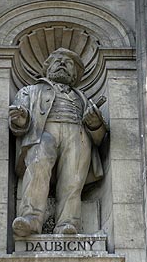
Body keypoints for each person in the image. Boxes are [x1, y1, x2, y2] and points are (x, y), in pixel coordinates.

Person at [9, 47, 107, 237]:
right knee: (38, 164)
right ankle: (31, 218)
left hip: (77, 134)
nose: (62, 63)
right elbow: (19, 120)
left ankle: (68, 223)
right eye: (58, 61)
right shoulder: (30, 91)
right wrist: (20, 119)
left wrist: (95, 124)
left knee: (73, 179)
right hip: (44, 133)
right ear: (47, 69)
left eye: (69, 63)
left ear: (75, 75)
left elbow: (99, 137)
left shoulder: (83, 98)